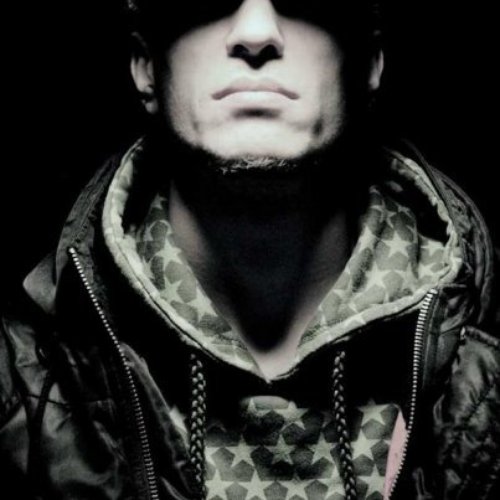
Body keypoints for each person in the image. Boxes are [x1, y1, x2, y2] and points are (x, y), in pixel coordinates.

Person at [1, 0, 498, 499]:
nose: (257, 33)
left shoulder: (485, 357)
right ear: (145, 65)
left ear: (369, 63)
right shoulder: (17, 381)